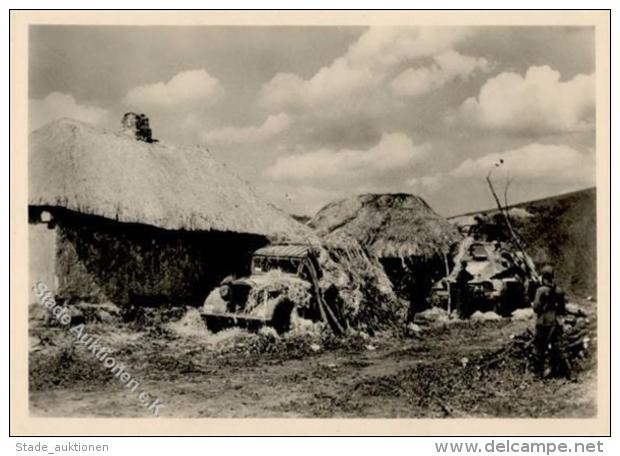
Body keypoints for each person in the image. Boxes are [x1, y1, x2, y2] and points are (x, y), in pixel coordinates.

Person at [532, 265, 567, 378]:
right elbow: (562, 309)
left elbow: (536, 308)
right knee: (557, 348)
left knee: (539, 348)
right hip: (556, 323)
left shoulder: (540, 290)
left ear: (543, 277)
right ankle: (559, 371)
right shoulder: (559, 291)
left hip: (543, 323)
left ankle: (538, 374)